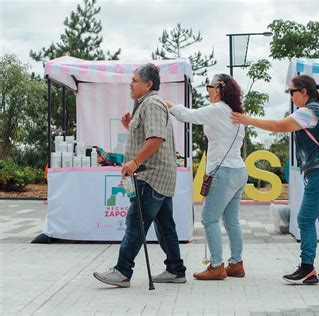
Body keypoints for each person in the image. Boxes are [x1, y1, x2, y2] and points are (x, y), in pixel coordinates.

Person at [232, 75, 319, 285]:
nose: (291, 97)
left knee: (305, 219)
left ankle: (307, 268)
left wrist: (247, 120)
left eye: (292, 92)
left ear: (304, 91)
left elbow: (279, 126)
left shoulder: (309, 111)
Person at [93, 63, 186, 287]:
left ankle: (123, 271)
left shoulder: (152, 103)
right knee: (165, 226)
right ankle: (176, 269)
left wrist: (134, 162)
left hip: (150, 176)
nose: (130, 84)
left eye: (134, 80)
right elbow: (148, 136)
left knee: (136, 222)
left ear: (148, 84)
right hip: (159, 176)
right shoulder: (146, 104)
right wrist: (130, 127)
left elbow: (156, 139)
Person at [165, 74, 247, 280]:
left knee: (209, 219)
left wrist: (168, 105)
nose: (207, 90)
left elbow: (189, 115)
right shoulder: (235, 112)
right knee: (231, 221)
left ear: (218, 88)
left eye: (209, 86)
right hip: (238, 170)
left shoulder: (218, 109)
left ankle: (216, 266)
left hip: (223, 171)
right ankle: (236, 263)